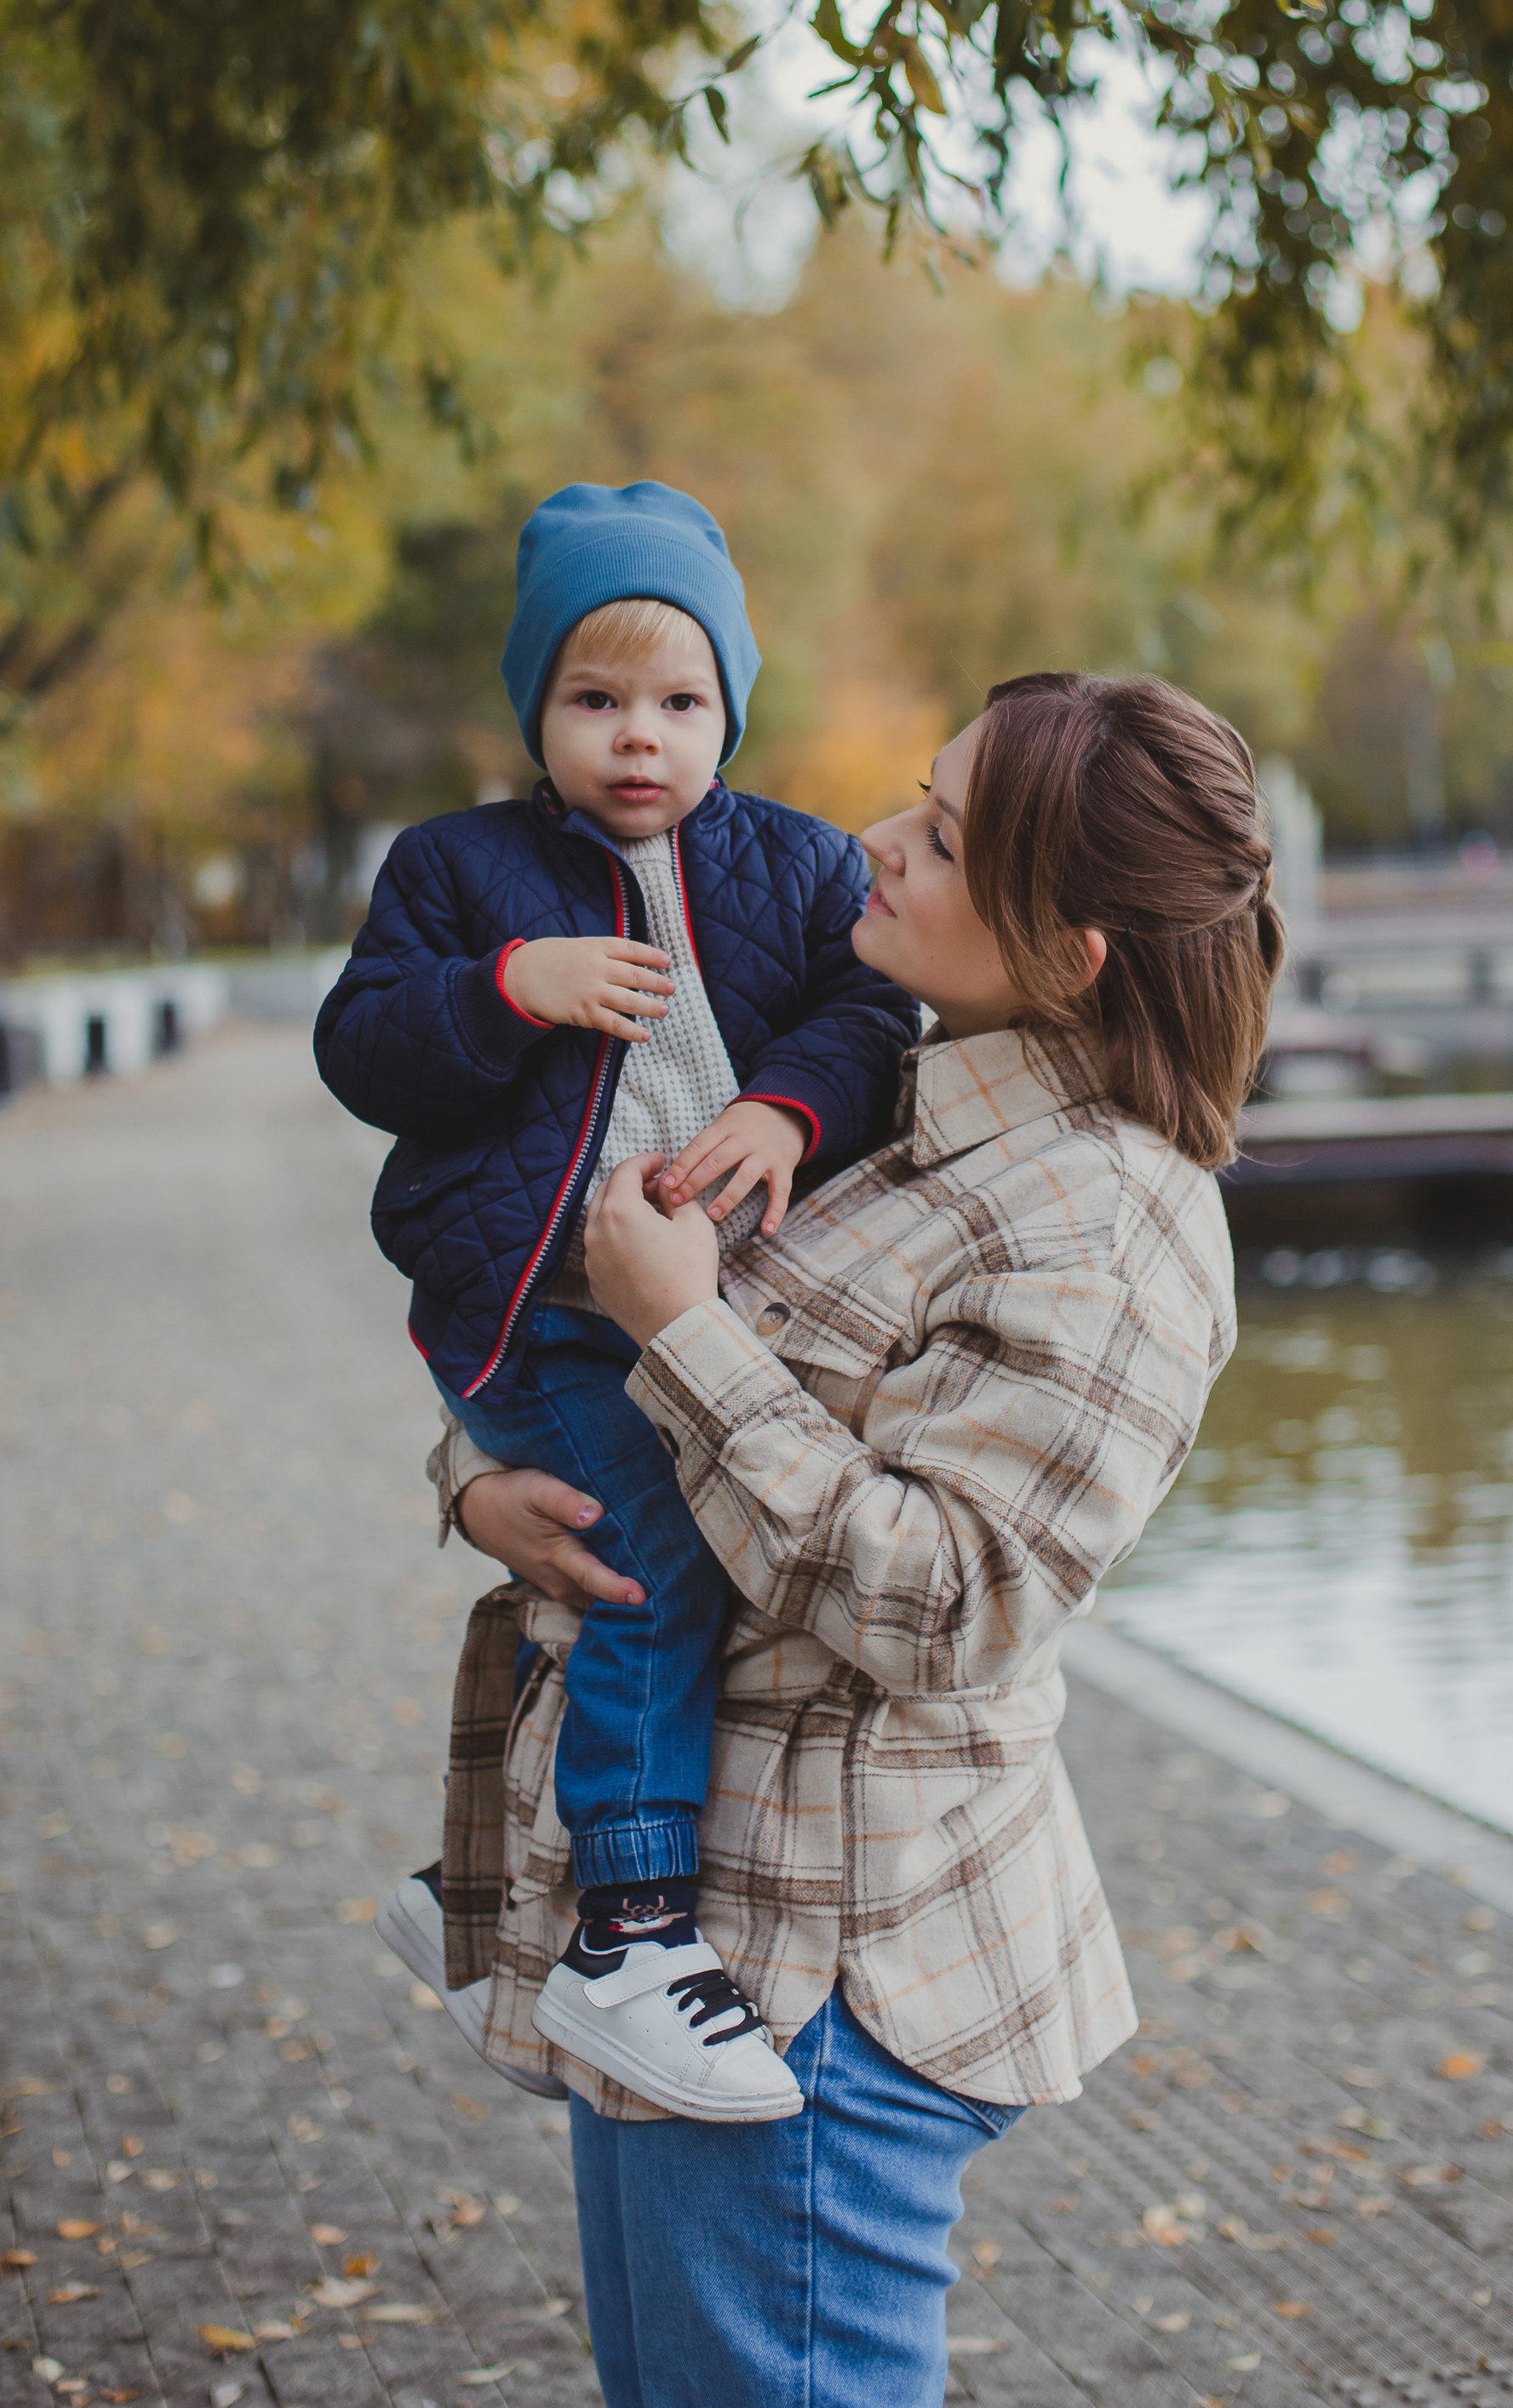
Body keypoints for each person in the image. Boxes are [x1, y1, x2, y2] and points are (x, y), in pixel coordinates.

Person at [434, 668, 1287, 2408]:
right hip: (676, 1932)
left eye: (941, 837)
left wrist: (688, 1334)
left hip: (809, 1980)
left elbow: (948, 1605)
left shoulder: (1116, 1232)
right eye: (915, 800)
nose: (874, 850)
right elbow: (589, 1346)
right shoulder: (882, 1104)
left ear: (1067, 951)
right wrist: (466, 1483)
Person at [313, 480, 918, 2119]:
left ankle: (483, 1885)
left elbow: (869, 1022)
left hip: (697, 1294)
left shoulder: (794, 869)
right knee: (651, 1550)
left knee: (628, 1561)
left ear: (732, 706)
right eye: (595, 700)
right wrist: (506, 990)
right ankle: (631, 1933)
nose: (638, 737)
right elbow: (359, 1045)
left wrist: (787, 1104)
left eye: (679, 701)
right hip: (533, 1295)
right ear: (538, 712)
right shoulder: (460, 870)